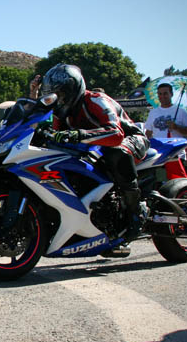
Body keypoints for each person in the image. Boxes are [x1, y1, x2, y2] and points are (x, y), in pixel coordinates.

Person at [35, 64, 150, 246]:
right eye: (56, 94)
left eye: (62, 94)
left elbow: (116, 134)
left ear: (73, 89)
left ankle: (135, 214)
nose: (60, 99)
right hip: (97, 147)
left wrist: (81, 134)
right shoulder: (62, 113)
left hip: (130, 139)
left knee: (117, 153)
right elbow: (58, 140)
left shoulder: (96, 100)